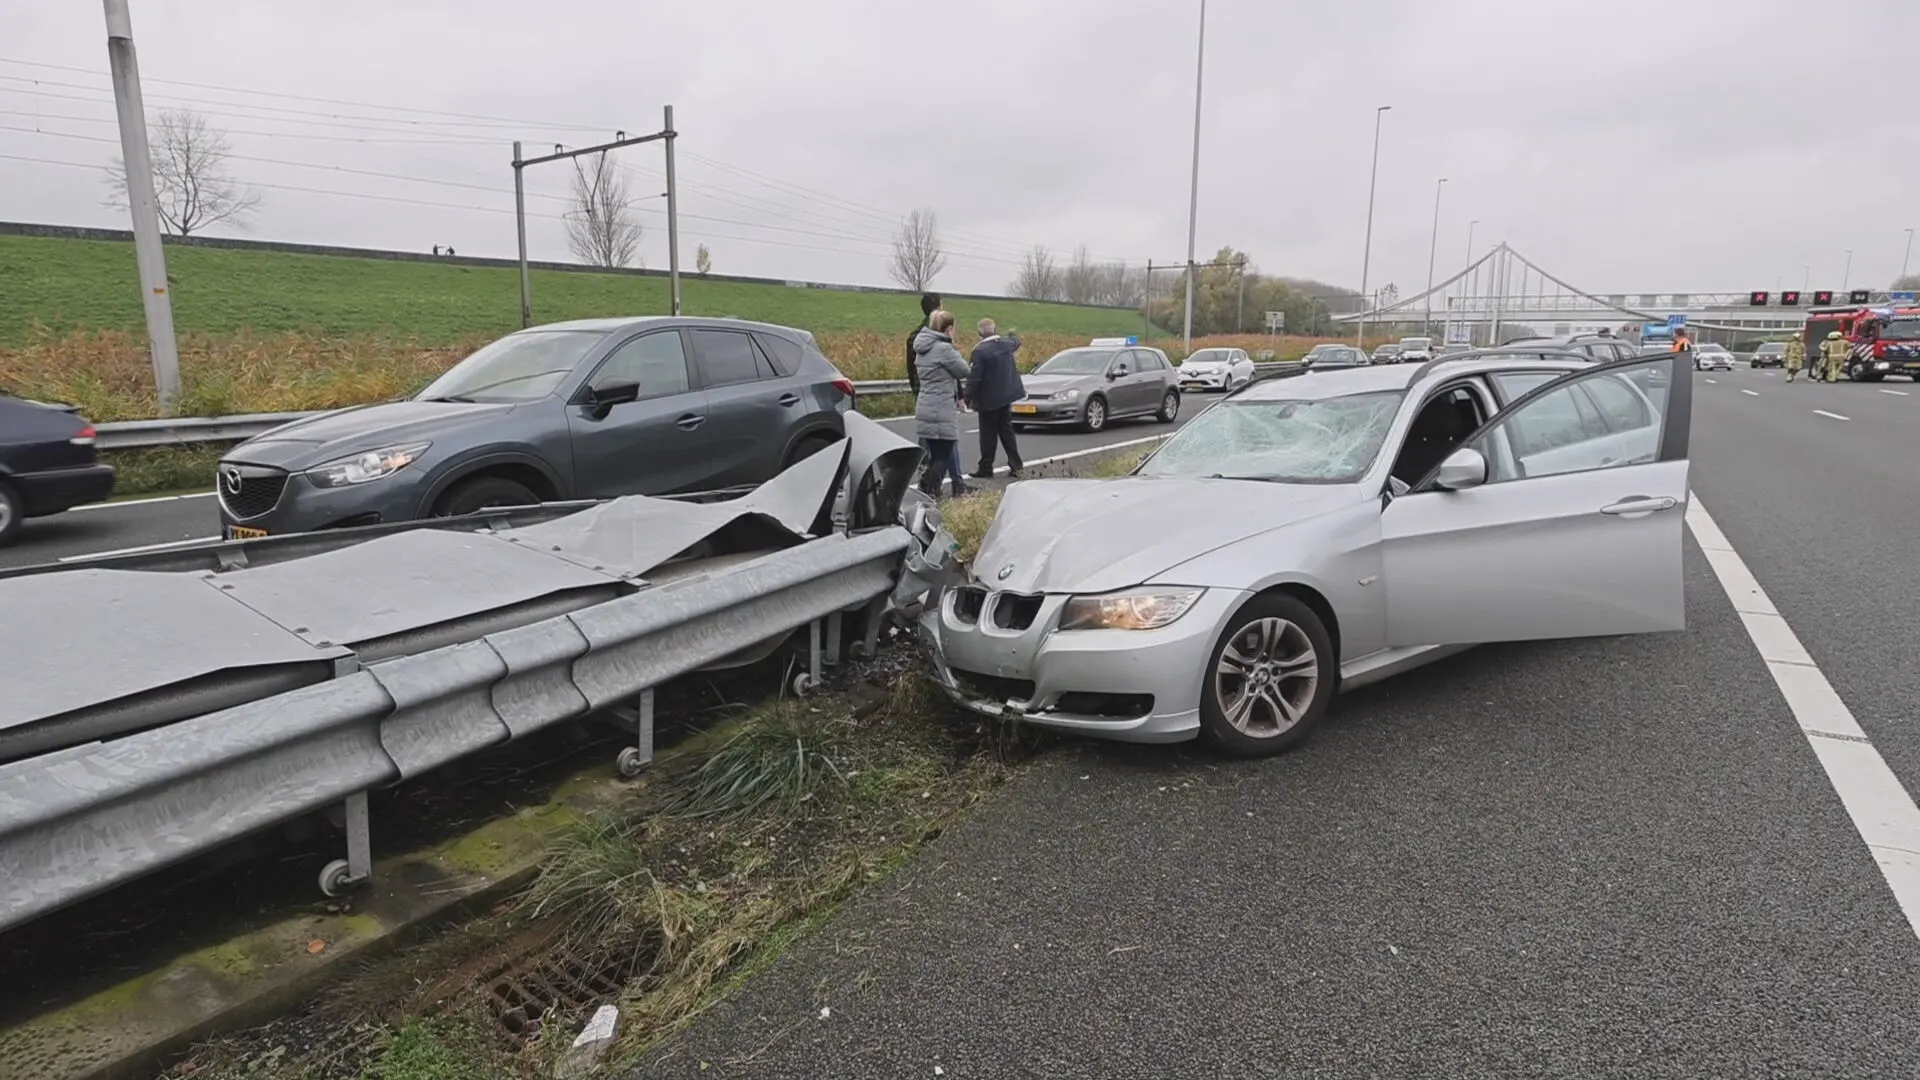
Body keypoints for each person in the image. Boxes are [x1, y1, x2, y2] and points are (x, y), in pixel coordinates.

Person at [912, 310, 971, 498]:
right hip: (941, 407)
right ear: (949, 328)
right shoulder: (944, 349)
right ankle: (930, 493)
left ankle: (925, 488)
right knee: (943, 454)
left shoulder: (922, 347)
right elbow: (964, 370)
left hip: (925, 404)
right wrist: (953, 346)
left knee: (934, 453)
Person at [966, 317, 1026, 479]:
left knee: (988, 435)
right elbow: (1016, 342)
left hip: (988, 400)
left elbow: (975, 378)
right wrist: (1013, 334)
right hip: (1006, 396)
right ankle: (1016, 465)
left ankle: (986, 467)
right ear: (995, 329)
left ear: (979, 333)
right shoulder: (1007, 344)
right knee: (1007, 432)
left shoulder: (980, 351)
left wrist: (966, 398)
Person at [905, 292, 941, 394]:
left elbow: (911, 369)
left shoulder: (914, 336)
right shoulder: (941, 334)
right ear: (938, 308)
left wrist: (915, 388)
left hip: (921, 389)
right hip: (940, 391)